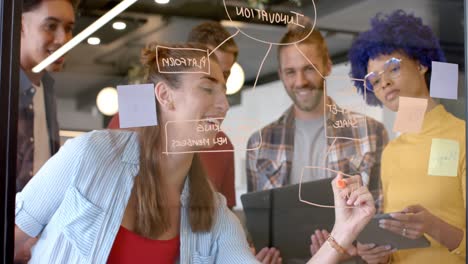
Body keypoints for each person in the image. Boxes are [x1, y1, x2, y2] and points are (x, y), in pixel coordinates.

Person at [13, 41, 377, 264]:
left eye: (224, 92)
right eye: (207, 88)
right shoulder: (90, 156)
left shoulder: (212, 211)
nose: (222, 105)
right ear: (165, 96)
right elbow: (12, 240)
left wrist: (342, 233)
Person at [245, 19, 389, 259]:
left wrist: (356, 249)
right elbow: (255, 227)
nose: (300, 81)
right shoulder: (258, 143)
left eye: (309, 68)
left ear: (327, 66)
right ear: (280, 74)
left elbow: (380, 219)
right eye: (290, 72)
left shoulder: (370, 132)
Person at [348, 10, 466, 264]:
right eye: (374, 80)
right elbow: (398, 245)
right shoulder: (391, 152)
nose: (385, 84)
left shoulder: (462, 136)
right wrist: (380, 256)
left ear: (422, 63)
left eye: (393, 69)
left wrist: (434, 227)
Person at [108, 21, 238, 209]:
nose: (216, 74)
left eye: (225, 73)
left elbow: (225, 217)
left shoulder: (222, 144)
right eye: (207, 67)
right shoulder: (133, 113)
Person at [15, 1, 78, 262]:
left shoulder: (46, 88)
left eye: (69, 28)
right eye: (50, 26)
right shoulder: (8, 90)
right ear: (19, 27)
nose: (64, 39)